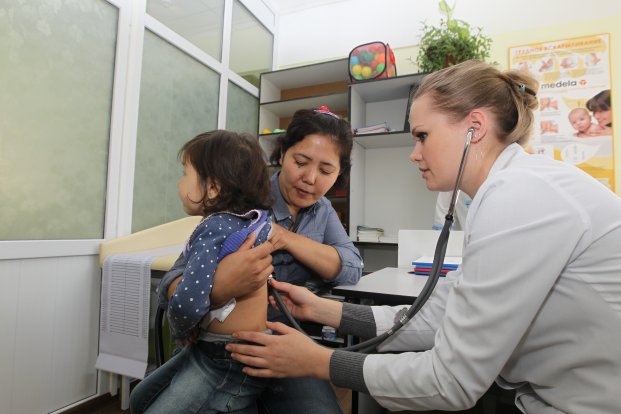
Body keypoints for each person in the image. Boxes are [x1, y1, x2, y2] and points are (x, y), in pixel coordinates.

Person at [226, 60, 621, 413]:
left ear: (474, 128)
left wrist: (320, 361)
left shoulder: (520, 197)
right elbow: (439, 315)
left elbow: (451, 381)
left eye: (422, 136)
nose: (414, 153)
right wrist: (324, 310)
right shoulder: (506, 193)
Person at [152, 107, 363, 414]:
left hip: (286, 344)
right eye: (300, 162)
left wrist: (286, 238)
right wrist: (219, 289)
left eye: (326, 171)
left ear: (338, 174)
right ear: (283, 153)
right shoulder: (245, 195)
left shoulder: (323, 210)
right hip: (222, 346)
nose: (309, 179)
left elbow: (351, 267)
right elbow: (173, 280)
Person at [129, 130, 274, 413]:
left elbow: (189, 303)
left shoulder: (213, 228)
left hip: (228, 358)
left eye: (185, 174)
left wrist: (181, 330)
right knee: (140, 399)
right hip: (220, 350)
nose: (180, 183)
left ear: (213, 188)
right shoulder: (248, 222)